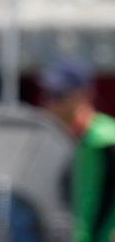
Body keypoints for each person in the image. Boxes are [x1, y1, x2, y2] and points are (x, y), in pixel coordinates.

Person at [40, 58, 115, 242]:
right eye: (48, 94)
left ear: (84, 95)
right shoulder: (51, 140)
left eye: (58, 95)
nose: (50, 103)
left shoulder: (107, 139)